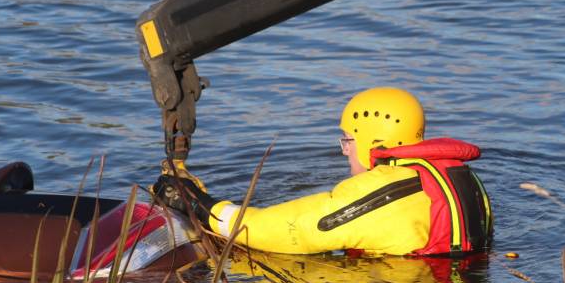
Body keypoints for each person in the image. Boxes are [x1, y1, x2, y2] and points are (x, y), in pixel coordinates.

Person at [154, 87, 492, 255]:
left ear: (370, 141)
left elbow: (282, 231)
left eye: (347, 140)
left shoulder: (383, 192)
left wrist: (198, 203)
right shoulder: (463, 177)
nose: (344, 150)